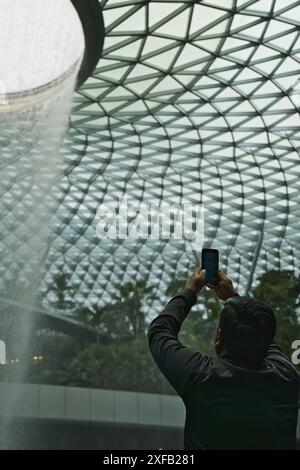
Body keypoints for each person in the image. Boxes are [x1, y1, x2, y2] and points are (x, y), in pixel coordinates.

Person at [148, 268, 300, 450]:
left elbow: (159, 332)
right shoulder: (287, 377)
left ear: (219, 337)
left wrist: (190, 291)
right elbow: (263, 336)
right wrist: (234, 298)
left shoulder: (200, 375)